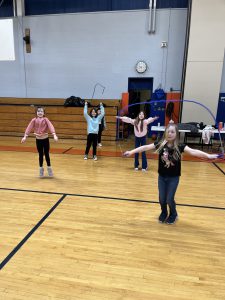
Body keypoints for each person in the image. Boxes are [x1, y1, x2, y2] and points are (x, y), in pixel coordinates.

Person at [124, 123, 218, 224]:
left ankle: (173, 214)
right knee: (161, 199)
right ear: (165, 133)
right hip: (162, 177)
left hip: (174, 178)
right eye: (168, 131)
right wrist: (132, 152)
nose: (170, 133)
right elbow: (145, 147)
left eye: (172, 132)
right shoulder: (161, 144)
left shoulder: (180, 146)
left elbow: (194, 152)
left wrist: (208, 156)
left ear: (176, 134)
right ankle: (164, 212)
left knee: (169, 199)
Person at [21, 106, 58, 177]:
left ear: (44, 113)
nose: (40, 112)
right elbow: (29, 127)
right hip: (38, 140)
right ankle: (41, 168)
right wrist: (25, 136)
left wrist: (54, 134)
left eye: (41, 111)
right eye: (38, 111)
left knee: (47, 154)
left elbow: (51, 126)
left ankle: (49, 168)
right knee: (40, 154)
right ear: (36, 112)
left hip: (45, 139)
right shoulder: (34, 120)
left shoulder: (46, 119)